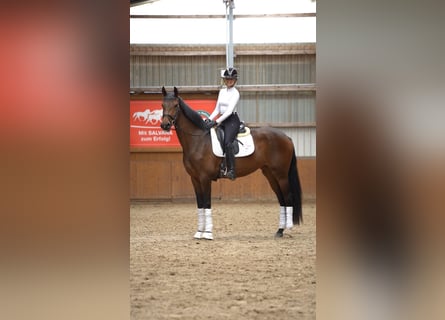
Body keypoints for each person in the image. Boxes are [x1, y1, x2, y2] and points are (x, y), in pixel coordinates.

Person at [205, 67, 241, 180]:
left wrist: (216, 122)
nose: (229, 81)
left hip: (232, 120)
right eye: (227, 79)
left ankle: (231, 170)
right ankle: (220, 165)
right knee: (215, 139)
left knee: (227, 142)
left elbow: (229, 111)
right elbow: (217, 109)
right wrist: (209, 119)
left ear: (235, 80)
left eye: (231, 79)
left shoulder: (236, 93)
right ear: (224, 80)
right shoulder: (221, 91)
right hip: (223, 119)